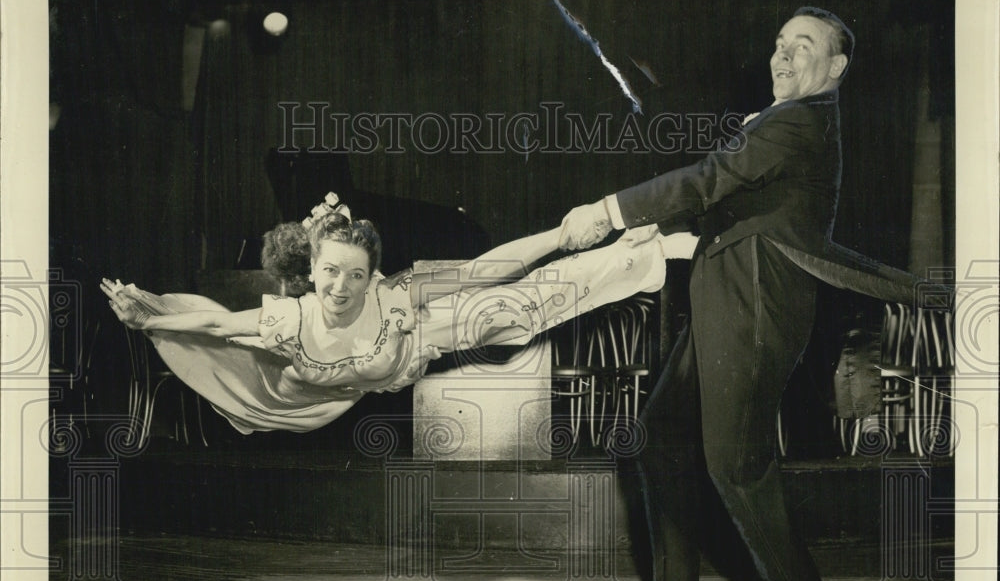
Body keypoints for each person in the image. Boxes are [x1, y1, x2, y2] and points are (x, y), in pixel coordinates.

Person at [558, 7, 933, 581]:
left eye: (804, 47)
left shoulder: (797, 122)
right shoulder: (787, 123)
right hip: (727, 298)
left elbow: (708, 181)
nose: (784, 57)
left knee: (738, 465)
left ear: (836, 69)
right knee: (662, 433)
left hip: (753, 308)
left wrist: (610, 210)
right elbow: (749, 210)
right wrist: (668, 232)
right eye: (780, 44)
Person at [102, 192, 698, 435]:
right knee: (217, 349)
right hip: (287, 401)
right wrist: (147, 319)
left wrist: (560, 237)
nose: (341, 286)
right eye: (331, 272)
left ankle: (640, 254)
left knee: (509, 304)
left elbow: (484, 268)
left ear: (372, 276)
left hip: (395, 358)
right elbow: (212, 324)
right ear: (310, 273)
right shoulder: (287, 319)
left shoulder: (394, 301)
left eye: (356, 275)